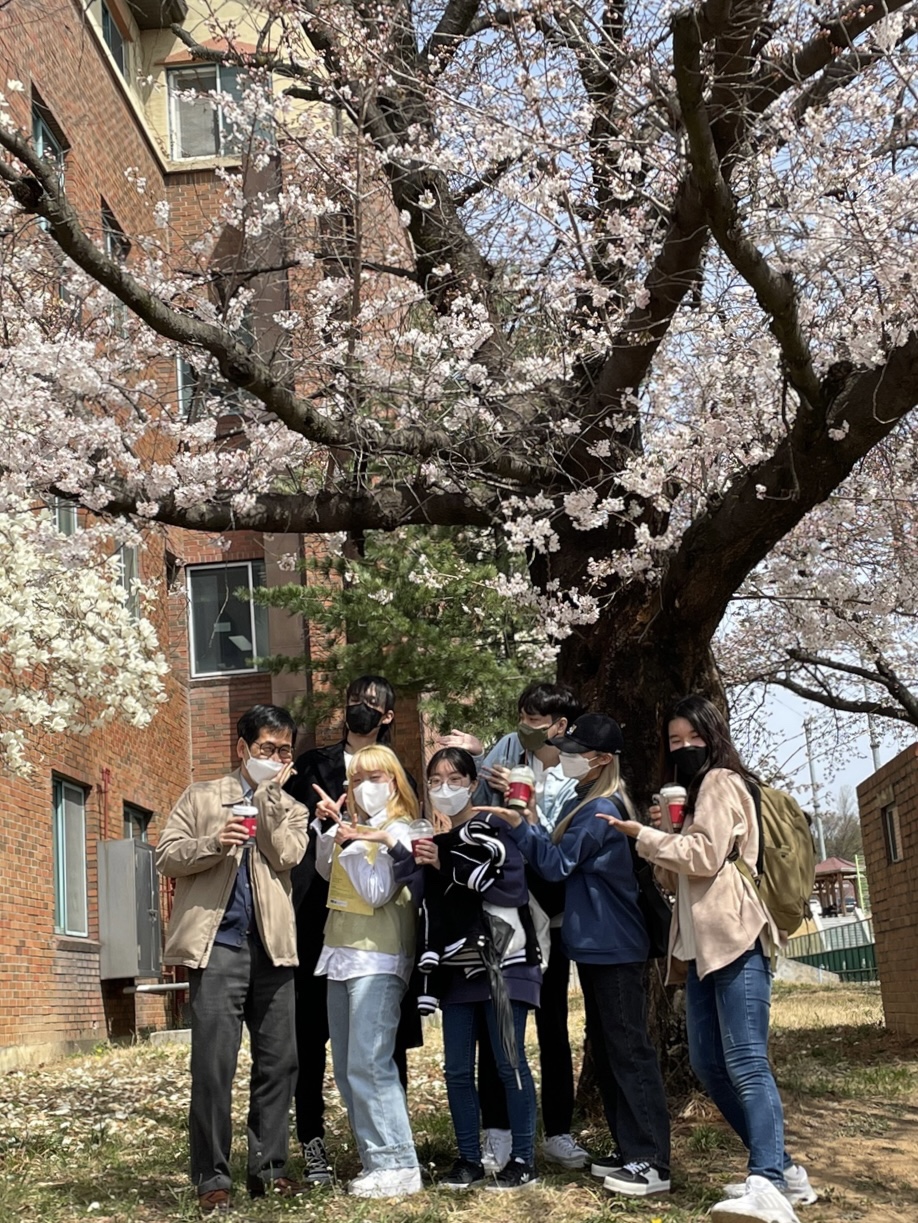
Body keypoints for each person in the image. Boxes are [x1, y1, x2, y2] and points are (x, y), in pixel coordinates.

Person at [600, 695, 818, 1223]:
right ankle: (785, 1170)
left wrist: (645, 836)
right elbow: (675, 874)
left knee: (745, 1061)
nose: (685, 747)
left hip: (737, 936)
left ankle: (767, 1182)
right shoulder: (696, 796)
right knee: (708, 1063)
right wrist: (669, 836)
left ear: (714, 736)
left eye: (694, 737)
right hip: (701, 948)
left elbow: (703, 857)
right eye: (675, 740)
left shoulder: (720, 781)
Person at [478, 714, 671, 1197]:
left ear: (601, 759)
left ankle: (651, 1161)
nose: (564, 757)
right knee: (608, 1051)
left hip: (614, 944)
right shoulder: (587, 801)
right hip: (598, 944)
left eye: (575, 752)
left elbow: (556, 865)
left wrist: (520, 825)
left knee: (628, 1051)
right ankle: (629, 1150)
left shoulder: (600, 808)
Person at [156, 705, 309, 1215]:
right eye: (267, 748)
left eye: (284, 751)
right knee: (213, 1066)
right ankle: (211, 1178)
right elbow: (166, 856)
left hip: (274, 950)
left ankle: (270, 1169)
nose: (277, 758)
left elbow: (287, 855)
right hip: (217, 946)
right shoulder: (201, 796)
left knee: (280, 1063)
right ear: (243, 748)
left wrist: (266, 801)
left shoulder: (292, 807)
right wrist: (214, 842)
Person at [446, 682, 587, 1171]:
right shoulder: (506, 747)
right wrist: (477, 764)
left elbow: (561, 845)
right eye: (522, 717)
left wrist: (526, 804)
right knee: (497, 1026)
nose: (524, 727)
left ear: (559, 726)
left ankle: (559, 1131)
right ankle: (499, 1132)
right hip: (502, 907)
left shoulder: (574, 769)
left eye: (535, 720)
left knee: (552, 1025)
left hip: (551, 911)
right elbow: (478, 808)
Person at [284, 675, 416, 1184]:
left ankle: (391, 1153)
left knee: (377, 1049)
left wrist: (358, 838)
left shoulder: (396, 798)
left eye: (370, 704)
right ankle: (316, 1141)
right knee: (324, 1043)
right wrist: (325, 827)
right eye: (352, 701)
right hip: (322, 926)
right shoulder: (312, 766)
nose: (359, 709)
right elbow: (302, 846)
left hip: (377, 937)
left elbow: (388, 878)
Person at [416, 748, 541, 1191]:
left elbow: (509, 888)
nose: (444, 788)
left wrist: (444, 863)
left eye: (455, 779)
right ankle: (468, 1158)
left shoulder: (493, 828)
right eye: (435, 780)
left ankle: (524, 1159)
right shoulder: (435, 842)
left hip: (506, 964)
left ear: (473, 784)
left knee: (509, 1062)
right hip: (457, 969)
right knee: (455, 1069)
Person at [311, 744, 422, 1199]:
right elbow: (326, 873)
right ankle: (376, 1161)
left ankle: (400, 1163)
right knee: (346, 1067)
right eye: (356, 779)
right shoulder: (359, 828)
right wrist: (331, 830)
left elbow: (377, 892)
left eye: (375, 778)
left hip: (380, 956)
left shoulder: (402, 829)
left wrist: (353, 842)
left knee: (370, 1062)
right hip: (340, 953)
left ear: (394, 781)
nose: (364, 787)